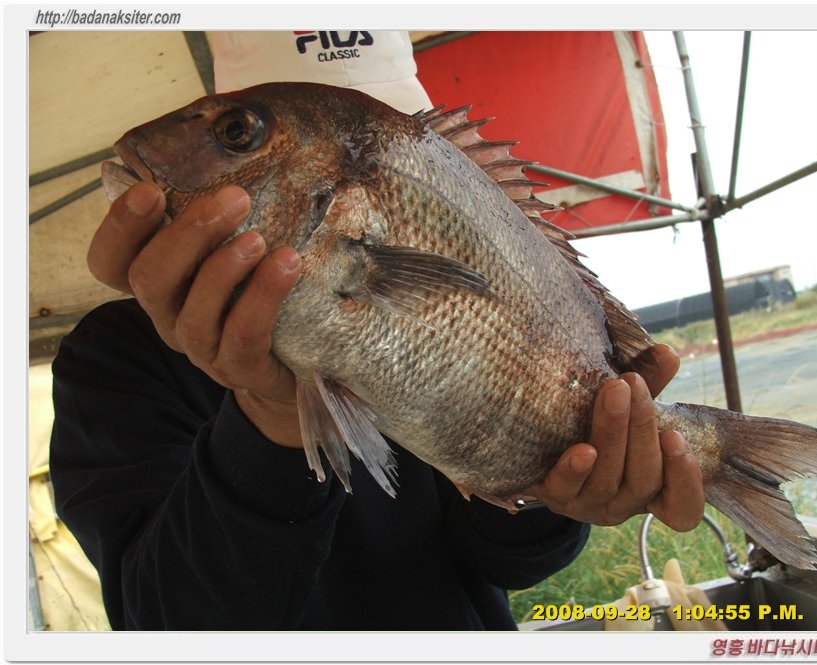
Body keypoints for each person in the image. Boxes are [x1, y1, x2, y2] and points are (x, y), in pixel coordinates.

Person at [49, 31, 704, 631]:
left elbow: (502, 562)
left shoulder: (459, 293)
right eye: (236, 132)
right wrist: (269, 417)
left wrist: (551, 496)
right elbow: (162, 621)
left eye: (413, 142)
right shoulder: (112, 358)